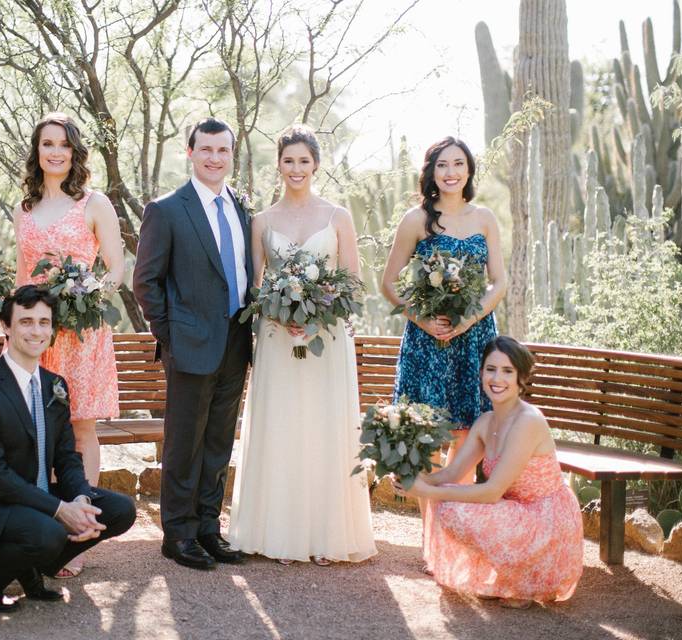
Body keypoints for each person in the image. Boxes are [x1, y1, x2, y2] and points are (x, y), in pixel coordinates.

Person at [227, 125, 376, 565]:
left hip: (326, 341)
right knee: (282, 426)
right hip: (276, 339)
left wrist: (317, 320)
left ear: (316, 165)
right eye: (288, 160)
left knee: (323, 428)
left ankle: (327, 535)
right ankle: (275, 533)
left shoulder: (337, 217)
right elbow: (255, 286)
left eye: (304, 161)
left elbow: (352, 282)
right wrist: (278, 315)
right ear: (278, 164)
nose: (296, 169)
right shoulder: (262, 221)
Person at [0, 285, 136, 613]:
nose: (36, 331)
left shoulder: (54, 385)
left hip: (34, 500)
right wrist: (60, 510)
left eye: (44, 322)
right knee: (49, 532)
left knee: (118, 510)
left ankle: (27, 566)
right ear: (6, 326)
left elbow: (66, 455)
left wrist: (81, 500)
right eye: (26, 321)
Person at [133, 117, 252, 570]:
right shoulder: (166, 209)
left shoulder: (240, 207)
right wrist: (170, 334)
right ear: (191, 152)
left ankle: (207, 527)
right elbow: (146, 282)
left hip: (236, 341)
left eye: (223, 151)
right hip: (189, 344)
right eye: (206, 149)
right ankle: (178, 534)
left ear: (231, 155)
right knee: (185, 443)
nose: (214, 158)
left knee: (219, 441)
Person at [391, 336, 583, 608]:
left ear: (521, 378)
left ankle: (524, 581)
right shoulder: (485, 421)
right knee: (447, 503)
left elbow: (492, 492)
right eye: (491, 369)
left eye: (508, 371)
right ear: (481, 373)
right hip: (515, 512)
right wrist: (413, 479)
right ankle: (507, 575)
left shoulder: (527, 421)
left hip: (546, 520)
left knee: (449, 502)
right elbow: (452, 473)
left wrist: (427, 491)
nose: (497, 378)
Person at [13, 113, 124, 578]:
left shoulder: (93, 204)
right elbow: (21, 276)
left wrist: (85, 298)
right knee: (35, 432)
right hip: (36, 337)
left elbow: (115, 271)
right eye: (46, 144)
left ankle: (81, 532)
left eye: (62, 144)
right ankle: (42, 527)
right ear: (37, 152)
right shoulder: (24, 208)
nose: (54, 151)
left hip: (81, 334)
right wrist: (14, 330)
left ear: (74, 151)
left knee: (80, 432)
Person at [380, 137, 505, 474]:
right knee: (425, 433)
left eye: (458, 164)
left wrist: (469, 319)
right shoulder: (416, 220)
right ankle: (431, 527)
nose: (451, 172)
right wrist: (422, 320)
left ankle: (453, 524)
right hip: (428, 340)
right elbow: (388, 282)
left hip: (474, 338)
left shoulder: (484, 218)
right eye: (443, 165)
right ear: (431, 172)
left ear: (469, 170)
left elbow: (499, 281)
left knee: (469, 434)